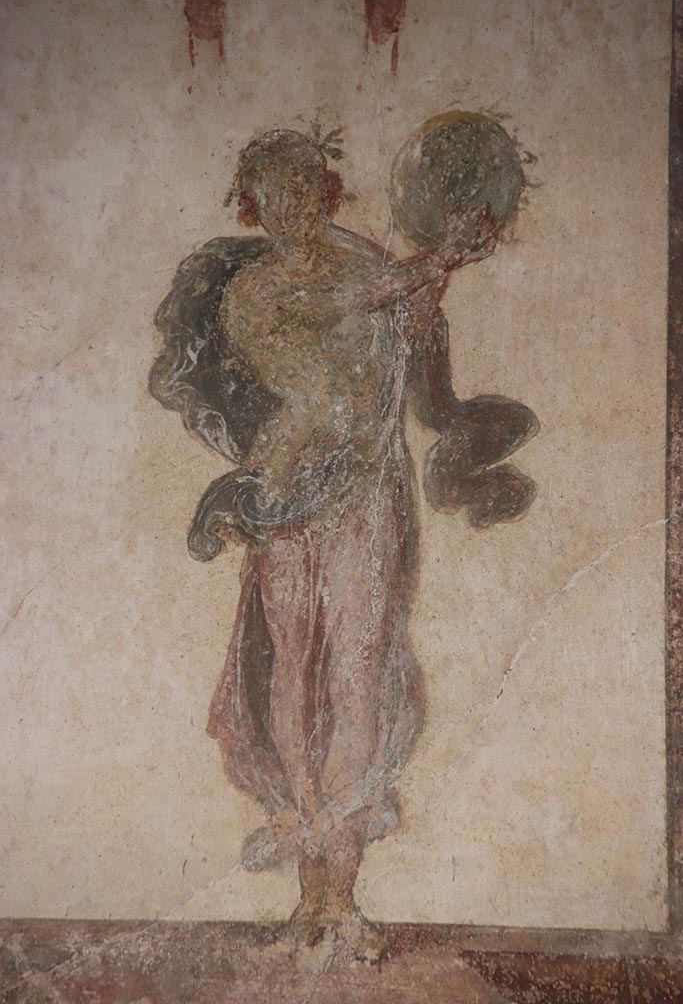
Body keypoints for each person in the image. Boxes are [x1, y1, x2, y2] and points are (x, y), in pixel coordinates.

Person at [150, 128, 534, 955]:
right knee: (294, 674)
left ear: (325, 190)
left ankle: (341, 896)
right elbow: (344, 307)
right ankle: (308, 888)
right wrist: (441, 259)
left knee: (360, 672)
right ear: (251, 207)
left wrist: (433, 285)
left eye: (302, 186)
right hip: (289, 495)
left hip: (366, 498)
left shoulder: (373, 266)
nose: (289, 205)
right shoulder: (256, 288)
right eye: (271, 193)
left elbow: (412, 354)